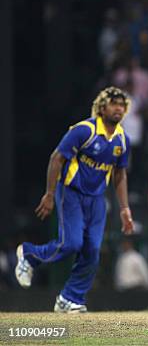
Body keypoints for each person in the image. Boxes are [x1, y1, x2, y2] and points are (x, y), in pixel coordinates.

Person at [15, 87, 135, 313]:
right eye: (113, 103)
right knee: (71, 243)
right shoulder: (84, 131)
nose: (118, 108)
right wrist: (50, 194)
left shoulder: (122, 140)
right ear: (102, 107)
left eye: (122, 104)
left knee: (92, 251)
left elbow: (119, 174)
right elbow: (57, 158)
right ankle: (30, 254)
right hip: (70, 192)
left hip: (97, 199)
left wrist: (125, 208)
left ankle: (69, 299)